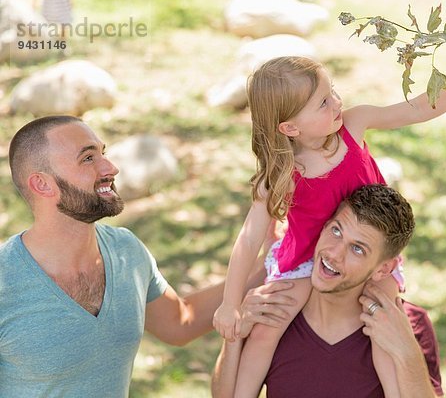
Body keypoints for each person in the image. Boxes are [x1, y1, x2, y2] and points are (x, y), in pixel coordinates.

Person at [212, 56, 446, 397]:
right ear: (290, 128)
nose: (336, 102)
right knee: (266, 330)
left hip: (367, 249)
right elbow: (248, 240)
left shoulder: (353, 125)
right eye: (323, 102)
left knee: (382, 317)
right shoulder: (283, 175)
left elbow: (417, 108)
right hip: (307, 260)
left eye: (331, 91)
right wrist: (230, 303)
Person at [0, 116, 258, 397]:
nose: (111, 168)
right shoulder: (6, 283)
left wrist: (269, 264)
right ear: (42, 184)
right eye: (87, 158)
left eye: (103, 153)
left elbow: (179, 323)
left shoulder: (126, 252)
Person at [212, 184, 442, 397]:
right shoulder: (274, 311)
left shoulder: (408, 325)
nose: (334, 253)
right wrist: (235, 335)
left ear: (384, 269)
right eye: (336, 231)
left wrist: (407, 354)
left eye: (357, 249)